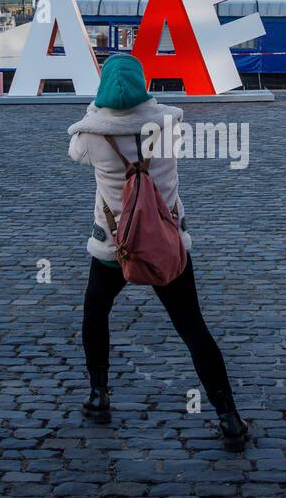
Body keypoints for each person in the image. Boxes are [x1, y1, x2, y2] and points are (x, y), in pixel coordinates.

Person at [68, 54, 250, 452]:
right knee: (193, 327)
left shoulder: (91, 136)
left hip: (114, 248)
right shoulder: (170, 126)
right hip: (167, 246)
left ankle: (99, 396)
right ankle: (229, 418)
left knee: (95, 314)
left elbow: (75, 152)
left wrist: (97, 110)